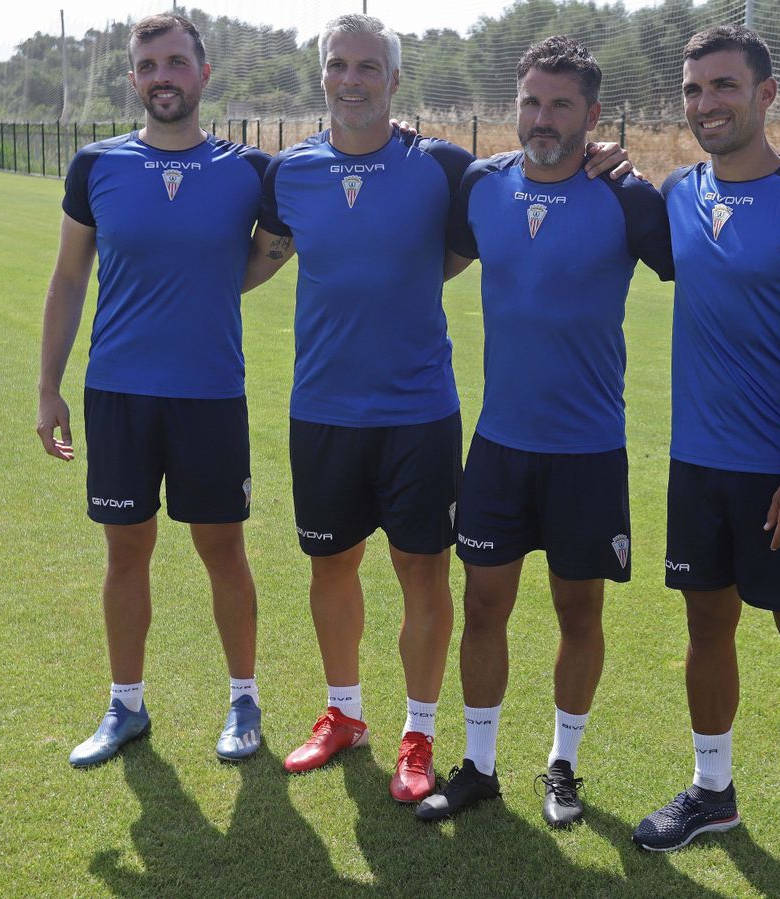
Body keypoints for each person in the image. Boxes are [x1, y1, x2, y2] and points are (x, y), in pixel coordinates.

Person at [251, 14, 632, 803]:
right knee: (331, 564)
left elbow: (470, 241)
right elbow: (264, 252)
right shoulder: (285, 173)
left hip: (419, 410)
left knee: (423, 570)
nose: (350, 79)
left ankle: (418, 734)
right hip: (320, 407)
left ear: (395, 80)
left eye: (367, 66)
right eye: (337, 65)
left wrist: (601, 164)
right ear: (321, 75)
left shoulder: (446, 169)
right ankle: (344, 712)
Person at [629, 25, 780, 899]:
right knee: (707, 631)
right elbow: (635, 238)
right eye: (694, 91)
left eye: (724, 87)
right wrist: (608, 171)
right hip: (698, 466)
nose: (706, 105)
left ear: (766, 95)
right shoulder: (676, 193)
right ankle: (711, 790)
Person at [414, 36, 672, 827]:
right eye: (531, 100)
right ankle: (480, 765)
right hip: (499, 445)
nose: (542, 117)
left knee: (577, 611)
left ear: (593, 115)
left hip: (588, 450)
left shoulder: (626, 197)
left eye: (561, 104)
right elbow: (437, 248)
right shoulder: (482, 184)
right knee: (484, 603)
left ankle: (563, 764)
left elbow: (703, 276)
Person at [36, 13, 270, 768]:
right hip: (118, 393)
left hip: (208, 395)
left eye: (176, 61)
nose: (162, 75)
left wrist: (213, 288)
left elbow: (275, 249)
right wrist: (49, 386)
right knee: (124, 553)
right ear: (133, 79)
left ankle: (243, 701)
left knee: (223, 549)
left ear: (204, 74)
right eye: (148, 65)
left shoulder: (250, 170)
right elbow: (70, 276)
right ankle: (126, 705)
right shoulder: (96, 165)